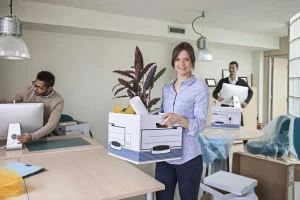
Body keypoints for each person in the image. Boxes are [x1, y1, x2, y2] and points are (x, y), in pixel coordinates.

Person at [155, 42, 209, 200]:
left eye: (186, 59)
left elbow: (200, 124)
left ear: (192, 61)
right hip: (165, 154)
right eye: (178, 59)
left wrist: (178, 118)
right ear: (173, 62)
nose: (181, 64)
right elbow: (163, 114)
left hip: (189, 157)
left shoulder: (200, 88)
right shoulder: (166, 88)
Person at [0, 71, 64, 143]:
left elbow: (51, 124)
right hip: (20, 133)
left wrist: (33, 136)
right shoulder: (27, 90)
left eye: (40, 88)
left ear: (49, 88)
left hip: (40, 136)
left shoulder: (58, 101)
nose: (34, 89)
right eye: (35, 84)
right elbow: (6, 101)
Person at [212, 61, 253, 144]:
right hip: (225, 108)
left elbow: (250, 92)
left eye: (233, 68)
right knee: (224, 130)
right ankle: (224, 152)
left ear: (237, 69)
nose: (231, 69)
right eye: (230, 68)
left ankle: (247, 150)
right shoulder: (223, 81)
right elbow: (214, 93)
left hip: (237, 108)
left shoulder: (242, 82)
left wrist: (246, 102)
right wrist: (218, 97)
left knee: (241, 128)